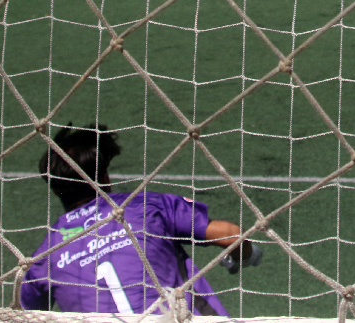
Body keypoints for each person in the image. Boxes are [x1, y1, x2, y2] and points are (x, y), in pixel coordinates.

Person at [21, 123, 261, 316]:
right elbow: (231, 234)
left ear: (54, 188)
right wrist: (246, 256)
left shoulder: (46, 257)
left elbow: (24, 315)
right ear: (104, 176)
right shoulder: (144, 207)